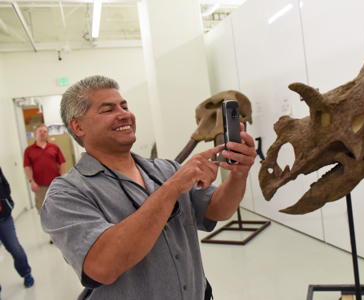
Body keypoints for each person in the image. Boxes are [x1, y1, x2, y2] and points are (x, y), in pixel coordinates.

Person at [40, 75, 257, 300]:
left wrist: (239, 174)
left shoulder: (166, 169)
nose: (124, 114)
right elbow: (102, 267)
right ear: (78, 126)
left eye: (124, 106)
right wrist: (172, 189)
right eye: (108, 110)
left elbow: (217, 210)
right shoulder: (65, 195)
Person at [0, 166, 35, 295]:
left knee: (15, 249)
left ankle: (26, 273)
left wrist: (7, 202)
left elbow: (4, 184)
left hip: (3, 217)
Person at [24, 124, 66, 213]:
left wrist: (62, 178)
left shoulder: (54, 147)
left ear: (47, 134)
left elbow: (62, 163)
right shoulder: (29, 150)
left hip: (55, 184)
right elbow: (27, 167)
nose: (42, 133)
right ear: (35, 133)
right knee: (44, 210)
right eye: (40, 131)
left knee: (59, 207)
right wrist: (31, 181)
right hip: (40, 186)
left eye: (45, 131)